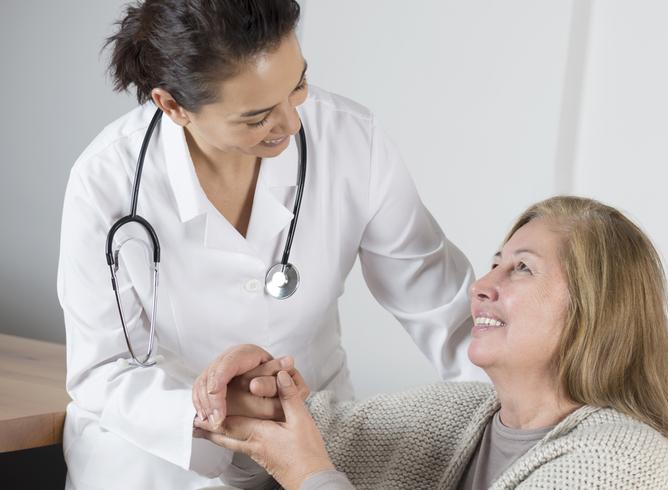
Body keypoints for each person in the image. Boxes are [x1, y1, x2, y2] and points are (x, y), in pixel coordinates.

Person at [57, 1, 480, 488]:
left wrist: (521, 429)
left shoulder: (351, 140)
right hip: (160, 456)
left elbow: (447, 310)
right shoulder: (106, 180)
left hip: (312, 437)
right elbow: (101, 370)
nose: (293, 123)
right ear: (173, 106)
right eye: (257, 117)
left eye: (298, 84)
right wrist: (212, 407)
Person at [193, 196, 668, 489]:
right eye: (494, 264)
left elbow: (306, 460)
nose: (483, 286)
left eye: (522, 269)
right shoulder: (459, 412)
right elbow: (295, 433)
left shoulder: (625, 466)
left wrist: (310, 474)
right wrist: (254, 383)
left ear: (595, 308)